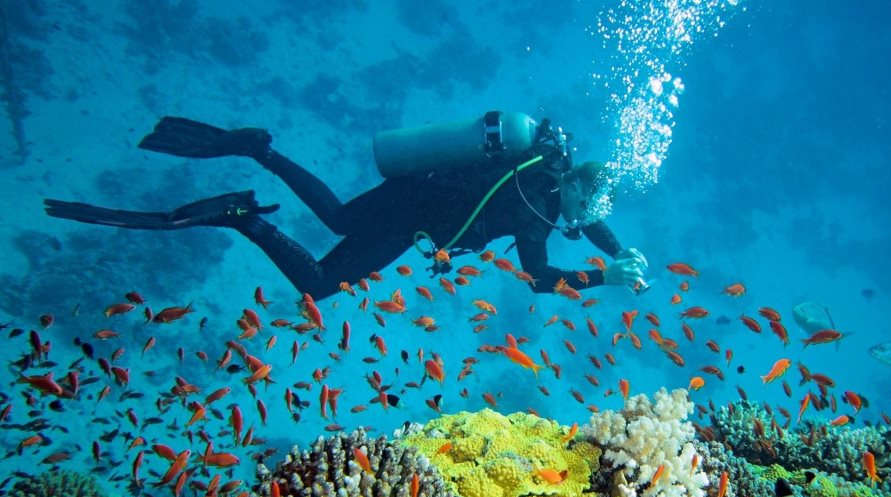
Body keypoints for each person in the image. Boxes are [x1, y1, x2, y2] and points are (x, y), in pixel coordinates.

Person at [44, 115, 648, 299]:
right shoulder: (533, 202)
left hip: (413, 198)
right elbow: (541, 279)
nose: (583, 219)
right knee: (320, 285)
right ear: (571, 187)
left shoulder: (547, 176)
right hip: (413, 219)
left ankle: (263, 154)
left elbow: (590, 218)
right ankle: (243, 219)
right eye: (584, 206)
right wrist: (602, 276)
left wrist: (619, 252)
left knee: (334, 218)